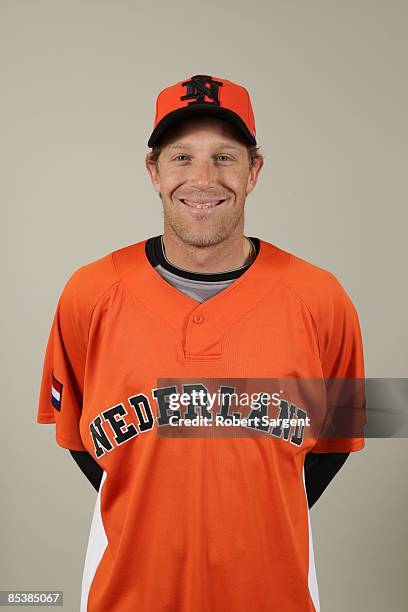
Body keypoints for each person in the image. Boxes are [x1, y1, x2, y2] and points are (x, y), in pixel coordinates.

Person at [37, 74, 365, 612]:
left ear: (255, 170)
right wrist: (152, 504)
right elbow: (77, 437)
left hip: (275, 593)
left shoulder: (323, 297)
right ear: (154, 171)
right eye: (182, 157)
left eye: (225, 157)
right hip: (127, 594)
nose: (203, 178)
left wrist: (254, 519)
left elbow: (341, 441)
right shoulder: (87, 292)